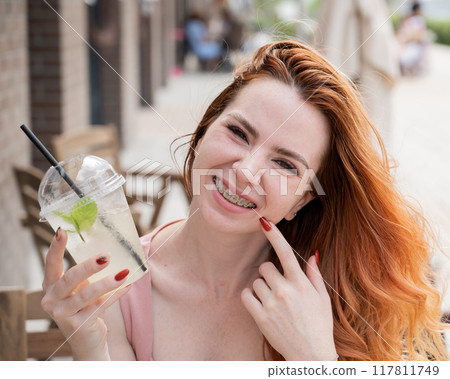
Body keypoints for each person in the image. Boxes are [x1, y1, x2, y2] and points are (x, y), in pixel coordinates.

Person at [41, 41, 449, 361]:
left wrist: (315, 358)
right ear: (203, 133)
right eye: (238, 132)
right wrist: (91, 347)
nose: (247, 171)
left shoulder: (335, 302)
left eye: (286, 164)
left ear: (302, 201)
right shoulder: (117, 286)